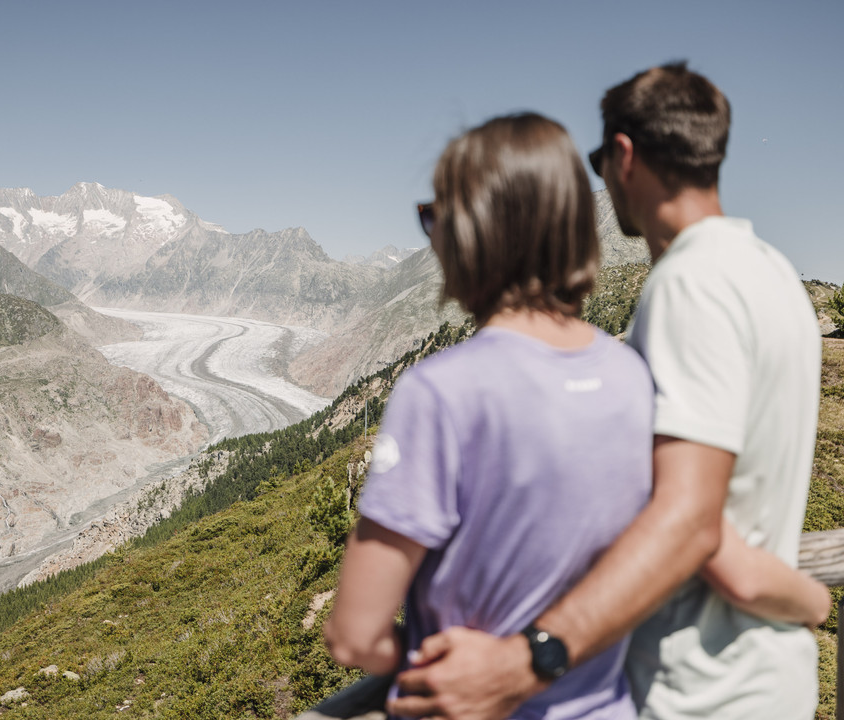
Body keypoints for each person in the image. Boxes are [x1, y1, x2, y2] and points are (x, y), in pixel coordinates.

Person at [387, 62, 831, 720]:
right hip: (772, 676)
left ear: (622, 155)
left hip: (696, 686)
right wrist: (808, 600)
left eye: (599, 161)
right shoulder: (773, 275)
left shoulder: (690, 283)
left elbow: (690, 522)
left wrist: (533, 657)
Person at [315, 112, 656, 719]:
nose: (431, 238)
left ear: (474, 235)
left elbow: (353, 635)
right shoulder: (630, 374)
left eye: (434, 218)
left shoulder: (444, 391)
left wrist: (424, 661)